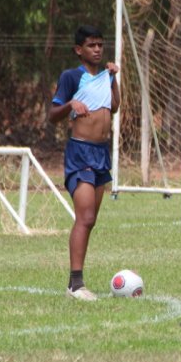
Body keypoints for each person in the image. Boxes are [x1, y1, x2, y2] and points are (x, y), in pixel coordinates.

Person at [48, 25, 120, 301]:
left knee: (90, 220)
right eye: (91, 45)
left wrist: (114, 79)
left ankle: (77, 283)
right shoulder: (71, 77)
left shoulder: (105, 76)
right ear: (79, 50)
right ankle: (75, 284)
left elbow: (114, 107)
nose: (98, 49)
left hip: (102, 153)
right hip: (81, 153)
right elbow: (53, 114)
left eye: (100, 45)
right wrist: (71, 105)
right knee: (85, 217)